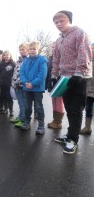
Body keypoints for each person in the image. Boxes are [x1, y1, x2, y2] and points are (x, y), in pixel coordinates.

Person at [50, 10, 92, 154]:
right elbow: (56, 58)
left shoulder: (80, 33)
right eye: (56, 22)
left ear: (69, 20)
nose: (58, 24)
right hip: (64, 79)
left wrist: (79, 73)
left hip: (78, 78)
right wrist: (54, 75)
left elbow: (84, 53)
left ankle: (73, 140)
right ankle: (69, 135)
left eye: (61, 21)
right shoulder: (59, 39)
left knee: (76, 110)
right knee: (68, 109)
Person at [19, 41, 48, 134]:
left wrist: (33, 83)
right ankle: (27, 122)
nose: (32, 51)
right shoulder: (26, 61)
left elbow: (42, 74)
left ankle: (41, 125)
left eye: (34, 49)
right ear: (28, 50)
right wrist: (25, 82)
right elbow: (22, 73)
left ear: (38, 49)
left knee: (38, 106)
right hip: (27, 87)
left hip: (37, 88)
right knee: (27, 106)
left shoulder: (42, 60)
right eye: (30, 49)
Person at [10, 43, 29, 128]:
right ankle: (21, 117)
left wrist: (21, 83)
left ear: (27, 50)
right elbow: (15, 73)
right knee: (20, 103)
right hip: (16, 85)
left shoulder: (28, 60)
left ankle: (24, 119)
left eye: (23, 49)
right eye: (20, 50)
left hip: (22, 85)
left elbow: (27, 74)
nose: (21, 51)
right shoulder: (19, 60)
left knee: (24, 103)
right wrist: (13, 84)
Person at [47, 42, 65, 129]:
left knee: (59, 102)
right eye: (52, 47)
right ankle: (55, 120)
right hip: (52, 82)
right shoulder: (51, 58)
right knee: (54, 101)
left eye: (55, 47)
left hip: (59, 82)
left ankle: (58, 122)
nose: (54, 48)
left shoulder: (62, 57)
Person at [80, 43, 94, 134]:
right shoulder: (87, 60)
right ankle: (87, 127)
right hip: (88, 90)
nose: (92, 50)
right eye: (91, 48)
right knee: (88, 108)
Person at [0, 50, 16, 116]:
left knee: (9, 97)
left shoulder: (13, 64)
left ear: (10, 56)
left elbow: (15, 74)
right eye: (4, 55)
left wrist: (13, 83)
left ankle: (11, 110)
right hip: (2, 83)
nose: (6, 56)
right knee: (4, 97)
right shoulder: (1, 64)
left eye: (7, 55)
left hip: (9, 84)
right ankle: (6, 109)